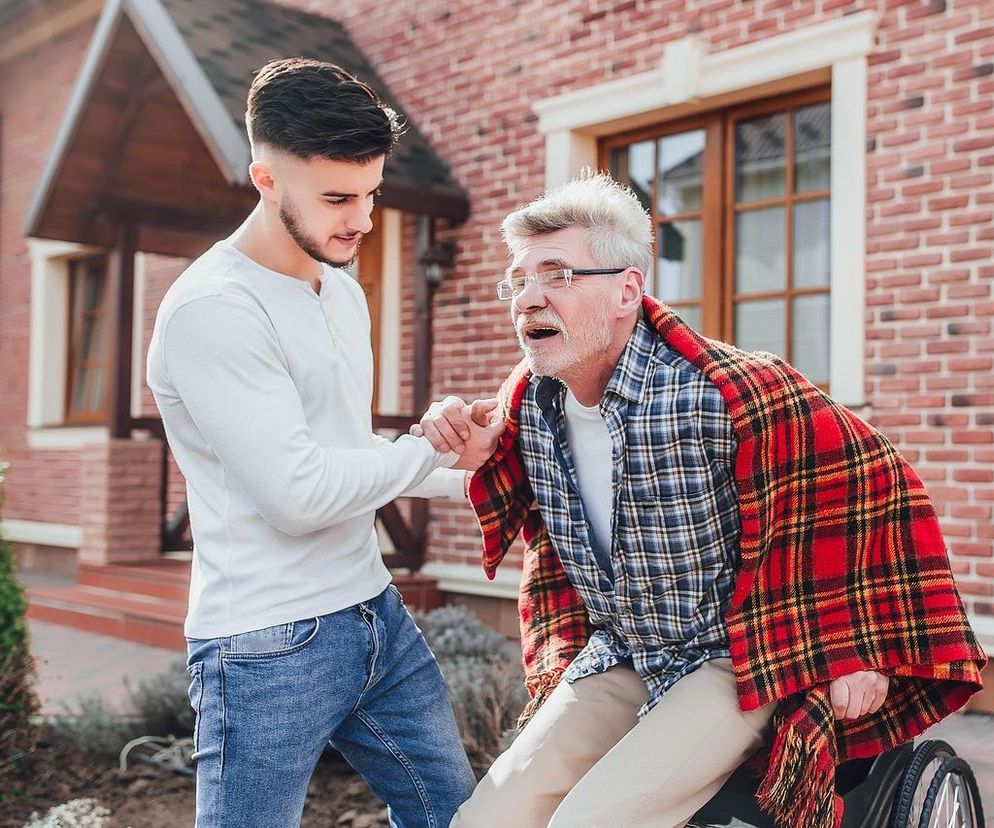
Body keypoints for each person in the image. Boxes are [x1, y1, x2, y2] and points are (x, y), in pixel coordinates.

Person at [417, 172, 985, 828]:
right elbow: (488, 460)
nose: (529, 299)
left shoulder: (728, 394)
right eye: (518, 281)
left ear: (628, 290)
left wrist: (862, 648)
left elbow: (875, 485)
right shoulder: (530, 406)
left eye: (557, 274)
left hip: (732, 662)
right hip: (623, 650)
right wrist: (458, 440)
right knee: (484, 820)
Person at [147, 58, 497, 828]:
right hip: (267, 645)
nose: (362, 220)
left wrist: (466, 465)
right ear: (265, 179)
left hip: (373, 613)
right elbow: (299, 493)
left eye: (370, 195)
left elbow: (343, 446)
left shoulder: (339, 289)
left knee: (462, 817)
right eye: (337, 198)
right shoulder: (214, 311)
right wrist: (430, 454)